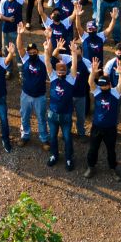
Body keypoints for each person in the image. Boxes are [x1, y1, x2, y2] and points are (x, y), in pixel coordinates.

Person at [83, 58, 121, 180]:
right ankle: (91, 167)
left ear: (109, 84)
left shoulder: (115, 92)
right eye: (101, 85)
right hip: (97, 126)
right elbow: (90, 82)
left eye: (105, 85)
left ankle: (113, 168)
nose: (102, 87)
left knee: (111, 150)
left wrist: (120, 74)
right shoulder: (97, 91)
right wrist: (93, 72)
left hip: (110, 128)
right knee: (93, 149)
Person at [43, 41, 78, 171]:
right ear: (56, 71)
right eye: (59, 72)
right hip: (53, 114)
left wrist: (74, 52)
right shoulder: (52, 77)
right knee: (52, 137)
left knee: (67, 138)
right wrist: (46, 50)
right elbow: (47, 63)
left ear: (66, 71)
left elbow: (74, 65)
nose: (61, 73)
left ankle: (68, 158)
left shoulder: (71, 79)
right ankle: (54, 155)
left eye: (63, 72)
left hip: (66, 115)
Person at [17, 40, 49, 146]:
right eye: (30, 52)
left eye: (34, 52)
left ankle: (44, 139)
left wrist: (48, 41)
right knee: (24, 116)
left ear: (37, 51)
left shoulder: (43, 59)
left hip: (40, 96)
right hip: (26, 95)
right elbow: (19, 47)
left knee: (41, 118)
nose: (32, 54)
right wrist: (19, 35)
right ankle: (25, 136)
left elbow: (49, 52)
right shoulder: (25, 58)